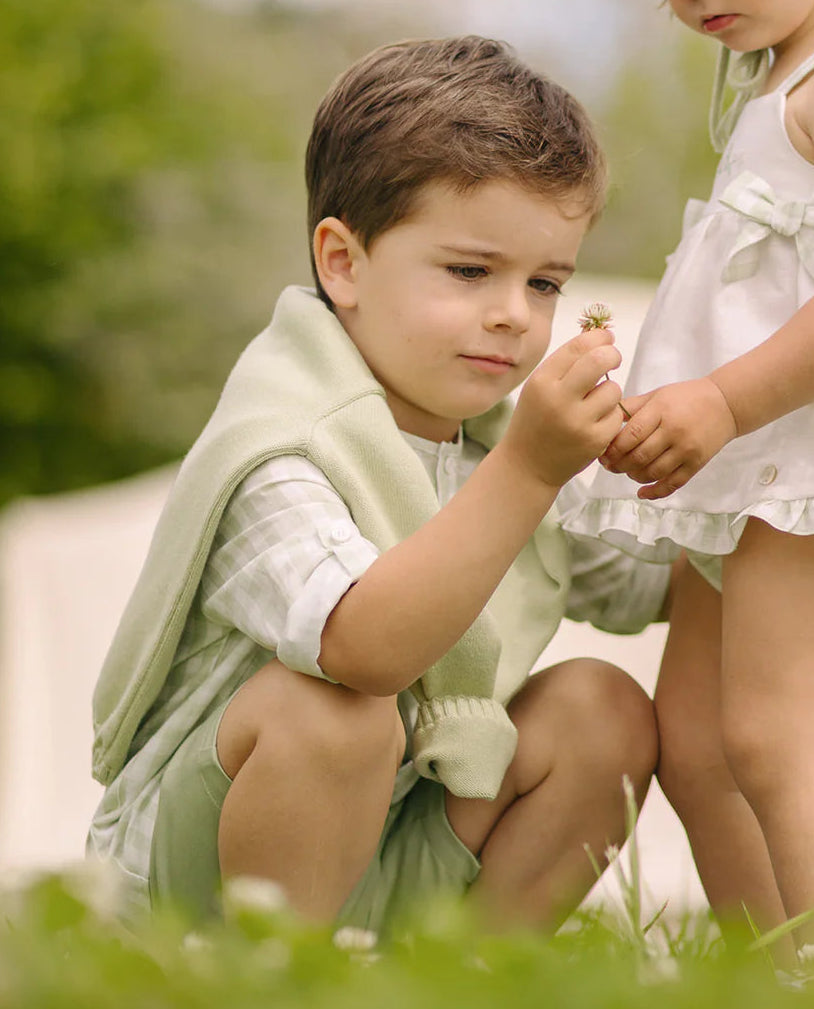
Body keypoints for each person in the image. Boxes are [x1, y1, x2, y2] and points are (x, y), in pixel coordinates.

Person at [87, 35, 671, 936]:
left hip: (388, 844)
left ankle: (458, 973)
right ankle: (270, 977)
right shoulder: (284, 442)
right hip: (197, 878)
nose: (514, 314)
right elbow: (362, 647)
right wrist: (528, 470)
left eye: (545, 282)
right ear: (343, 263)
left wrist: (729, 474)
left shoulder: (492, 443)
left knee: (603, 708)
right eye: (470, 270)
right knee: (335, 711)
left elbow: (647, 584)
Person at [563, 2, 814, 954]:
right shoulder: (769, 79)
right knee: (699, 740)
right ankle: (775, 967)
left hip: (789, 462)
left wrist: (722, 399)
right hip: (744, 472)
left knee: (769, 732)